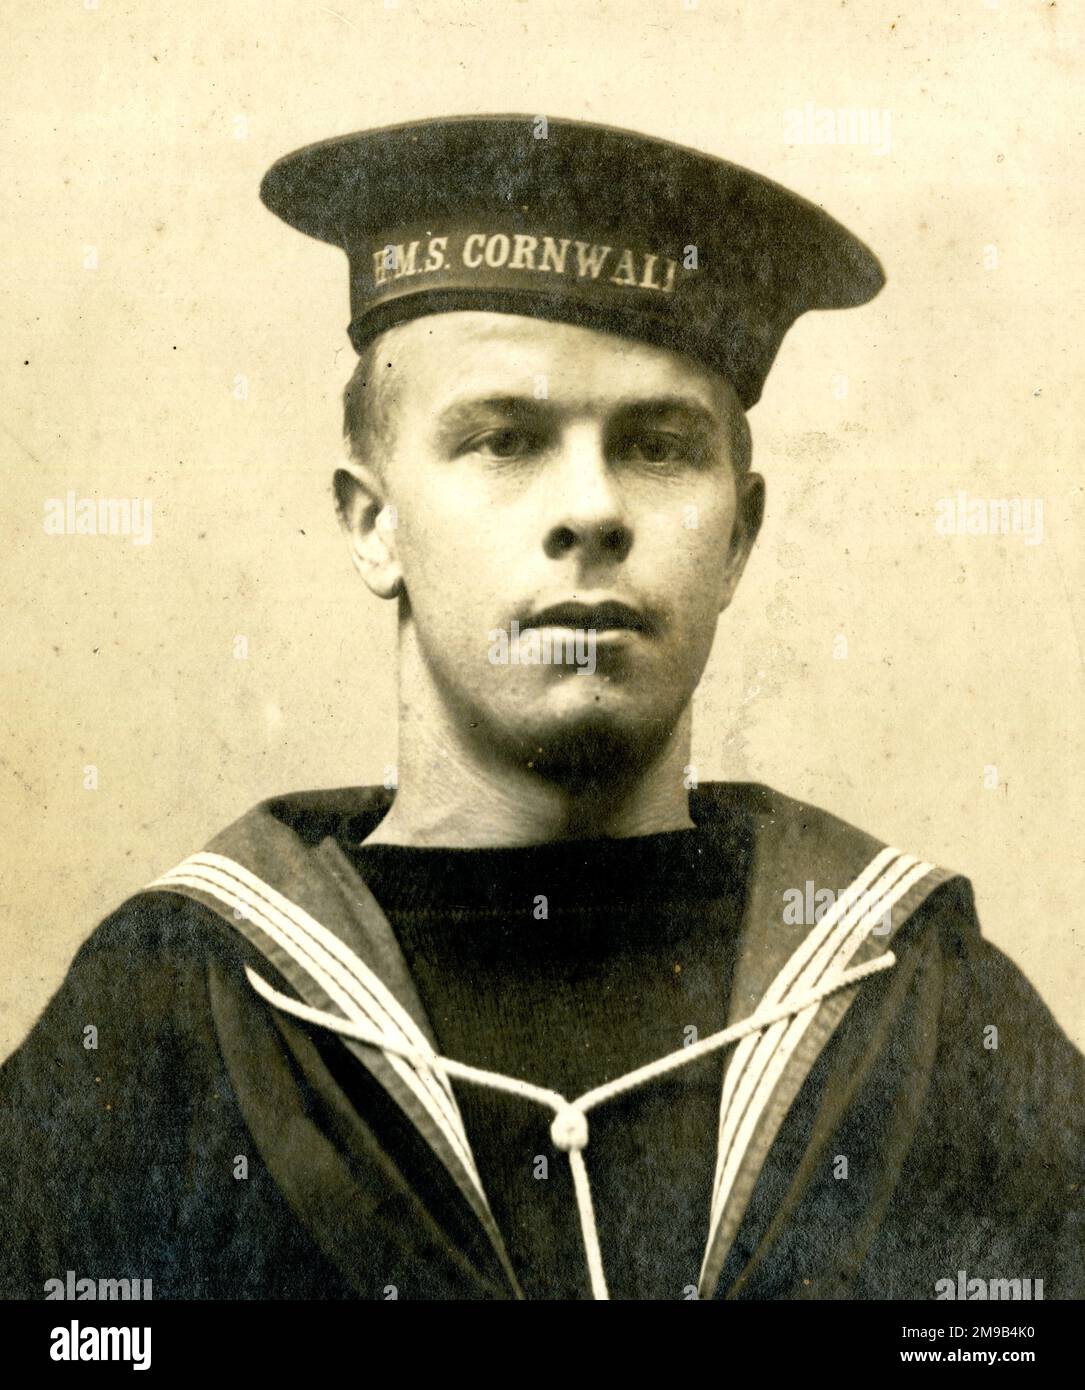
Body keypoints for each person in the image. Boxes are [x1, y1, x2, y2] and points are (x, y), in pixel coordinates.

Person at [1, 115, 1082, 1302]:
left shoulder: (917, 1004)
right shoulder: (180, 1011)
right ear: (374, 523)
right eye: (504, 439)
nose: (590, 509)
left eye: (657, 447)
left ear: (738, 536)